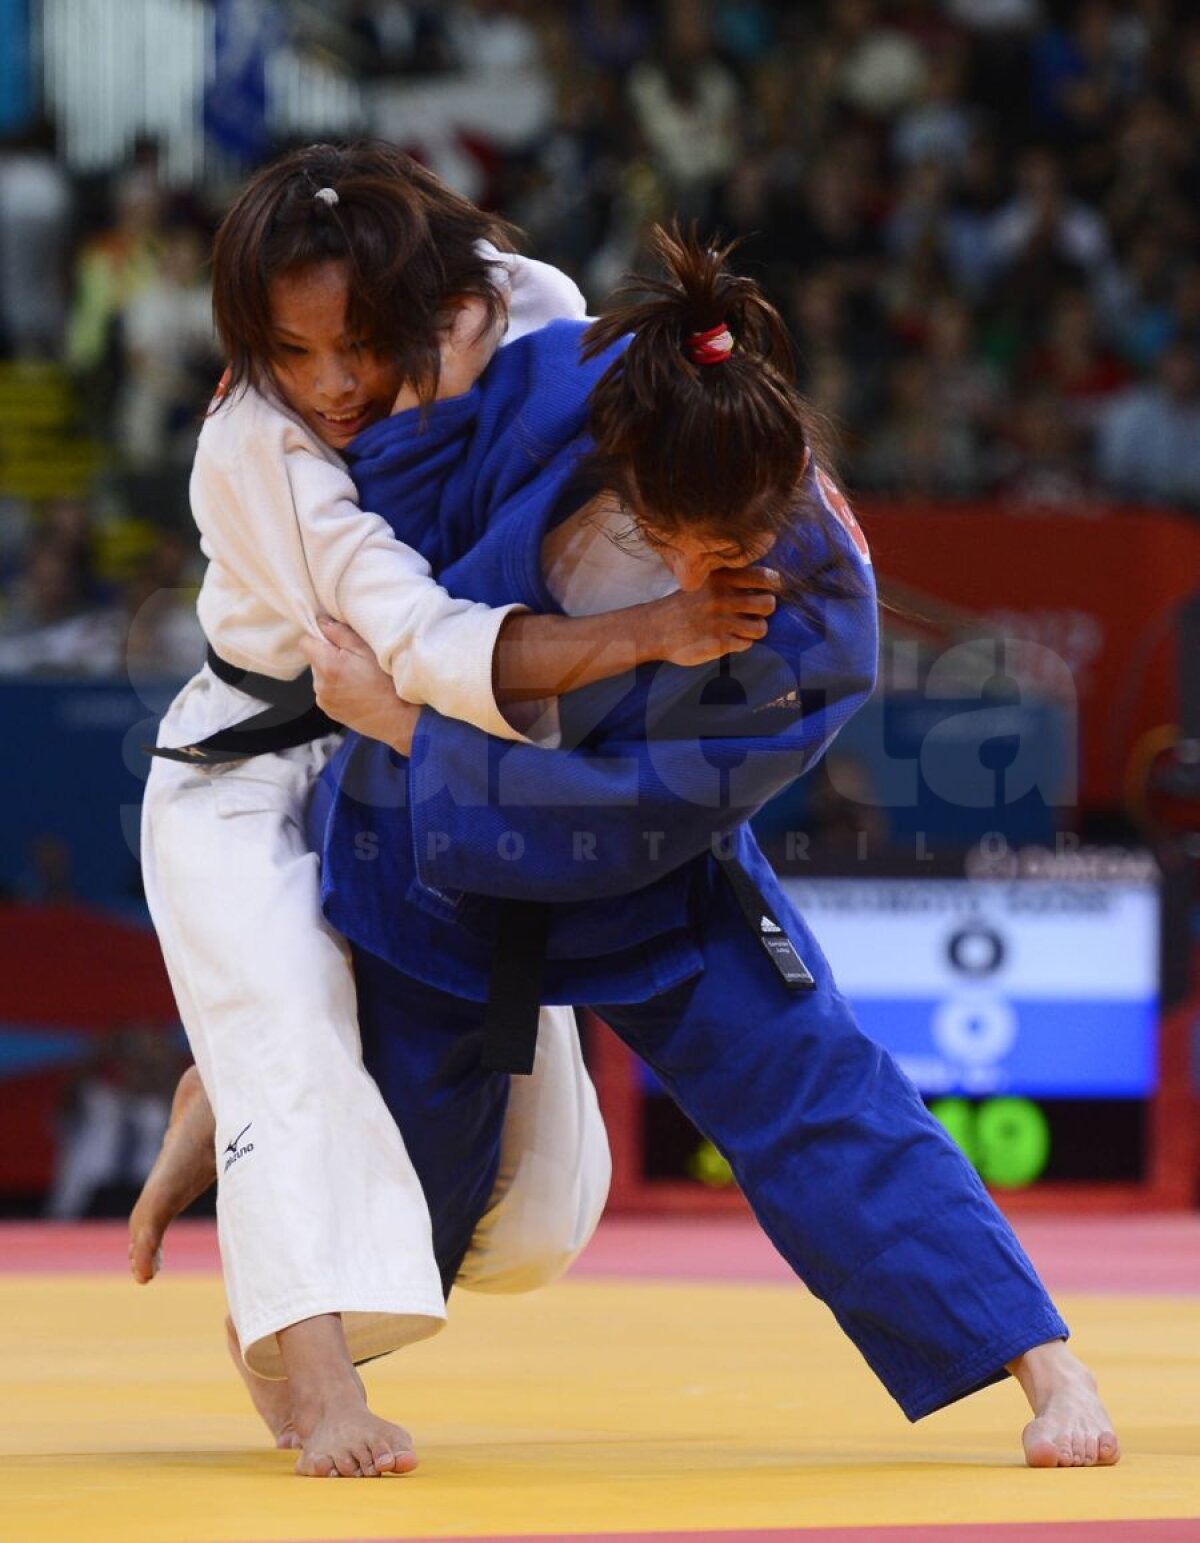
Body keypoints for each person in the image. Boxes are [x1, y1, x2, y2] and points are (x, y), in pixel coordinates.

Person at [303, 225, 1120, 1472]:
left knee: (816, 1081)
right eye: (680, 539)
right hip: (430, 849)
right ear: (622, 454)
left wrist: (403, 722)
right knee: (412, 1190)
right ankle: (305, 1355)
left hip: (646, 870)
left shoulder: (824, 617)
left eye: (734, 548)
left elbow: (630, 811)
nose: (706, 572)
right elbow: (397, 517)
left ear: (788, 479)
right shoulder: (570, 390)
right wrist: (384, 401)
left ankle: (1041, 1362)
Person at [134, 144, 778, 1479]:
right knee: (288, 1036)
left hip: (428, 765)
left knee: (535, 1220)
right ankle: (313, 1384)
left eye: (358, 343)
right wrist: (661, 629)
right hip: (253, 771)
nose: (335, 387)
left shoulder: (524, 303)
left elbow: (648, 405)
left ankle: (225, 1088)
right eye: (291, 351)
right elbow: (415, 637)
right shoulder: (255, 443)